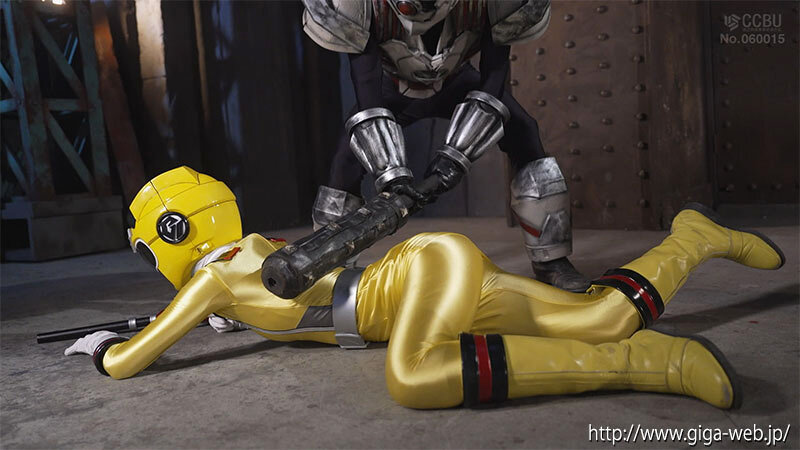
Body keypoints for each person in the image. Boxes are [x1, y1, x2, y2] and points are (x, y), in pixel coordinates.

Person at [65, 167, 785, 409]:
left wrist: (102, 349)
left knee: (412, 377)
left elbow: (134, 359)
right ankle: (694, 238)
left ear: (170, 233)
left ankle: (650, 366)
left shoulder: (212, 278)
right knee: (600, 318)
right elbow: (281, 303)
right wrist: (237, 318)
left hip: (418, 279)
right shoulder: (258, 250)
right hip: (434, 271)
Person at [302, 0, 591, 292]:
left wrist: (455, 158)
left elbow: (494, 75)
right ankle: (329, 271)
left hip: (457, 80)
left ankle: (552, 260)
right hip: (390, 87)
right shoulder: (357, 4)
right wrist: (392, 174)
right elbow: (367, 85)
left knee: (523, 132)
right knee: (346, 159)